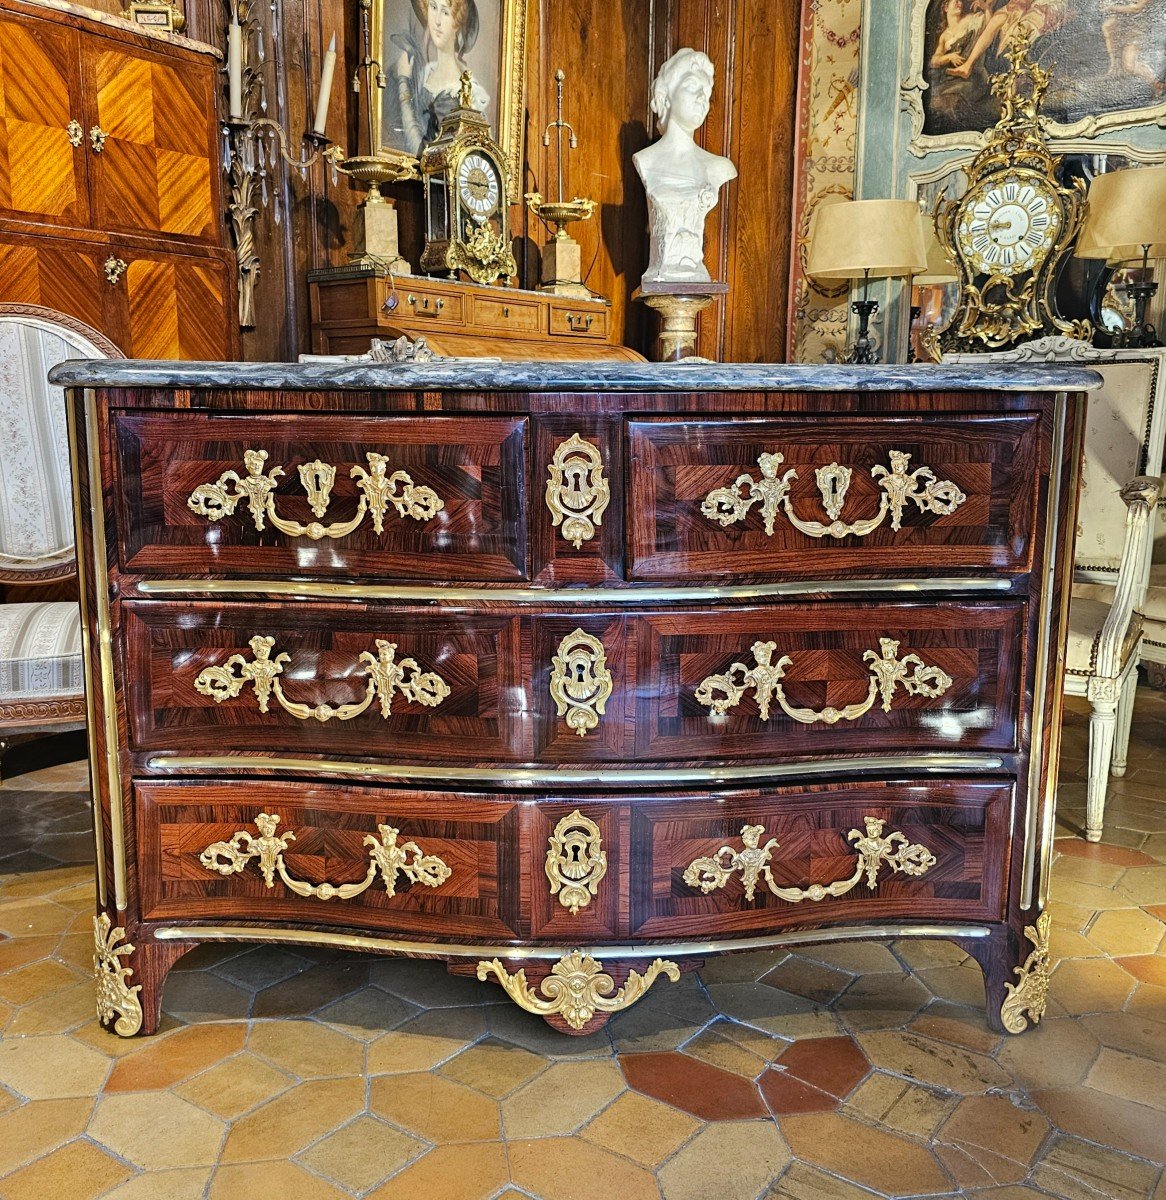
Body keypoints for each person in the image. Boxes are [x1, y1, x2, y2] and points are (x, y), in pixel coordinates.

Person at [633, 48, 737, 286]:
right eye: (692, 86)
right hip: (660, 273)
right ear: (666, 95)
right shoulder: (645, 161)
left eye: (707, 92)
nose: (702, 97)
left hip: (695, 273)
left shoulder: (718, 167)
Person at [389, 0, 490, 154]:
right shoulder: (422, 74)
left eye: (445, 12)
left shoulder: (464, 94)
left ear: (457, 23)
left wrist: (403, 80)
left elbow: (422, 154)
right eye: (433, 7)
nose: (436, 21)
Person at [946, 0, 1066, 80]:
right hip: (1020, 4)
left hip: (1044, 5)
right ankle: (967, 66)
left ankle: (1012, 82)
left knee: (1020, 30)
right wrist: (986, 4)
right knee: (996, 19)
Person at [1101, 0, 1166, 99]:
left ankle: (1158, 85)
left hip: (1142, 30)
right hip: (1127, 28)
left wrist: (1111, 8)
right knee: (1126, 67)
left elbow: (1137, 8)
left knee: (1130, 66)